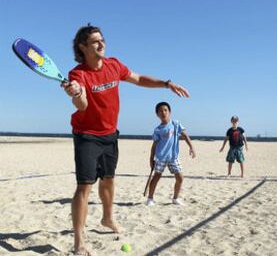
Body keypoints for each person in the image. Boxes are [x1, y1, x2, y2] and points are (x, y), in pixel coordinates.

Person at [61, 24, 190, 256]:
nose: (102, 44)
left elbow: (138, 78)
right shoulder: (77, 74)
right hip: (87, 136)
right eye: (95, 41)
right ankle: (79, 242)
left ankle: (107, 218)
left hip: (110, 134)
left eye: (102, 39)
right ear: (83, 47)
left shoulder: (113, 64)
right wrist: (77, 93)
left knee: (109, 180)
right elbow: (82, 106)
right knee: (84, 186)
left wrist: (166, 83)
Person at [146, 101, 195, 206]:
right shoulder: (158, 129)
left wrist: (191, 147)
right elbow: (154, 145)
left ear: (169, 112)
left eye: (165, 110)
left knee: (180, 177)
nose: (163, 112)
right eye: (160, 111)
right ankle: (150, 199)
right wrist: (151, 159)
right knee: (156, 177)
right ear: (157, 114)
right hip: (160, 157)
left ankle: (175, 198)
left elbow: (185, 135)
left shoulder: (175, 124)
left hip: (173, 157)